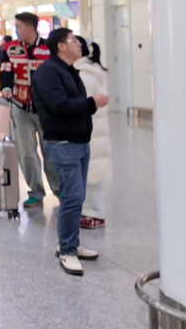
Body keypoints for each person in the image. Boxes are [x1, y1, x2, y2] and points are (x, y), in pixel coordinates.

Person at [31, 28, 109, 276]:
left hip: (79, 142)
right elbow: (59, 106)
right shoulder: (48, 72)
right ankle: (67, 250)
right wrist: (91, 102)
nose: (80, 44)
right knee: (72, 197)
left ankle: (70, 242)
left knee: (77, 196)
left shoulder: (69, 71)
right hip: (63, 143)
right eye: (74, 40)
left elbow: (76, 105)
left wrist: (90, 106)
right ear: (61, 46)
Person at [0, 12, 59, 208]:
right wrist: (6, 88)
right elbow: (5, 71)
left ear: (31, 27)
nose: (16, 30)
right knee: (26, 153)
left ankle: (58, 189)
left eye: (19, 26)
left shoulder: (49, 48)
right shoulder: (10, 48)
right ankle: (36, 192)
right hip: (20, 108)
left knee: (51, 151)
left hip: (46, 110)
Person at [76, 38, 111, 230]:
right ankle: (90, 210)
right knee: (90, 171)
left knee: (92, 172)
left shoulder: (85, 74)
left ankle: (95, 213)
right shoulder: (88, 70)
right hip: (93, 129)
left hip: (91, 129)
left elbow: (84, 104)